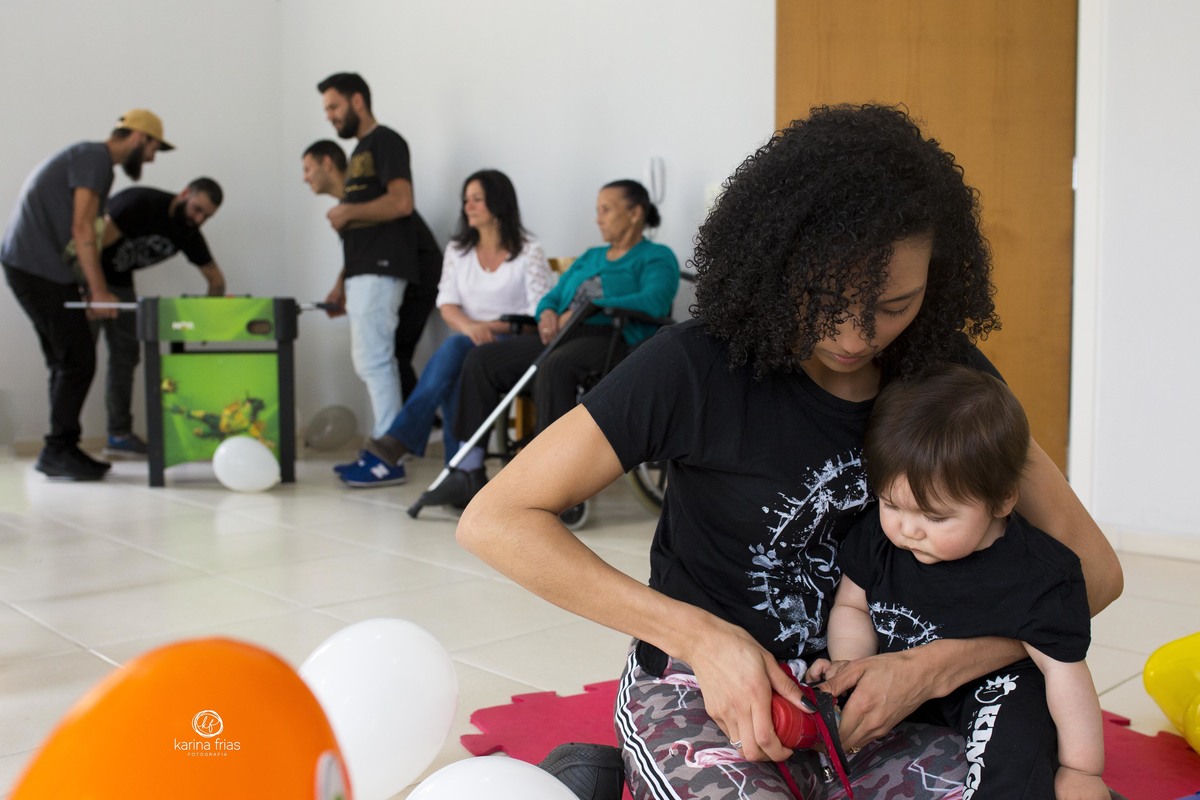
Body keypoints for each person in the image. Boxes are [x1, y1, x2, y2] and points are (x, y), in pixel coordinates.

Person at [456, 105, 1123, 799]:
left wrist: (940, 666)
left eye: (895, 305)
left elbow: (1093, 573)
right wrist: (704, 639)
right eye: (828, 299)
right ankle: (582, 778)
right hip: (703, 689)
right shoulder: (695, 365)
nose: (858, 336)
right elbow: (497, 519)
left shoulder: (947, 375)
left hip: (889, 699)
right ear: (777, 263)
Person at [804, 363, 1108, 799]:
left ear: (1002, 499)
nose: (908, 529)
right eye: (892, 504)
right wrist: (851, 664)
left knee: (1020, 741)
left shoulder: (1040, 574)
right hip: (903, 688)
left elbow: (1066, 677)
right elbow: (852, 605)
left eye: (934, 516)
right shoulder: (878, 535)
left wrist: (1083, 771)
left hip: (992, 690)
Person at [420, 179, 679, 510]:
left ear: (635, 213)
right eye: (597, 210)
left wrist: (590, 307)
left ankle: (553, 483)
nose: (598, 218)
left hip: (614, 337)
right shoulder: (590, 257)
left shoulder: (656, 256)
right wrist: (546, 315)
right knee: (483, 359)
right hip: (565, 335)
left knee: (556, 366)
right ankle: (467, 472)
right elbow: (554, 297)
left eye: (606, 209)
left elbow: (654, 300)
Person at [339, 169, 556, 487]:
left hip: (511, 343)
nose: (468, 206)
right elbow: (447, 303)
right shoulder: (459, 250)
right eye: (465, 200)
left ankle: (415, 450)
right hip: (470, 342)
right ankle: (460, 476)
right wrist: (471, 327)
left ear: (499, 203)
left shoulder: (528, 250)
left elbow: (538, 311)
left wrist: (489, 328)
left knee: (456, 351)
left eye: (477, 199)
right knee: (460, 358)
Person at [2, 109, 172, 481]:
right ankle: (58, 448)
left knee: (65, 360)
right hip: (34, 265)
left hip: (33, 265)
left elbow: (77, 234)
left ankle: (60, 448)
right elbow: (81, 227)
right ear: (139, 137)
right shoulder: (95, 159)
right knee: (78, 358)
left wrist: (82, 285)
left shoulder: (86, 159)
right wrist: (98, 290)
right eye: (153, 149)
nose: (151, 159)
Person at [316, 72, 441, 441]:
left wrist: (348, 212)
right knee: (375, 360)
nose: (330, 116)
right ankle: (393, 441)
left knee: (374, 360)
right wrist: (341, 283)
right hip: (367, 272)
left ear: (358, 101)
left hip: (383, 271)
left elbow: (402, 203)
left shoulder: (384, 141)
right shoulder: (359, 153)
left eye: (334, 106)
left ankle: (388, 446)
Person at [90, 178, 227, 458]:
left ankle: (118, 434)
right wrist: (92, 291)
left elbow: (216, 280)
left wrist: (206, 322)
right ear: (185, 193)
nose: (199, 219)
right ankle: (62, 441)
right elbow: (91, 244)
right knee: (77, 356)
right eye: (197, 209)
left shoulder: (188, 231)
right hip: (88, 277)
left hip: (120, 283)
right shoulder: (140, 204)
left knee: (126, 354)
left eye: (207, 216)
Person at [302, 137, 440, 404]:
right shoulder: (353, 205)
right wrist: (342, 286)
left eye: (307, 169)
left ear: (327, 163)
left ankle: (410, 430)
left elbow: (386, 238)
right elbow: (366, 252)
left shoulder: (365, 198)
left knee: (382, 357)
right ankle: (413, 429)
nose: (304, 178)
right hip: (401, 275)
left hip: (419, 276)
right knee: (387, 356)